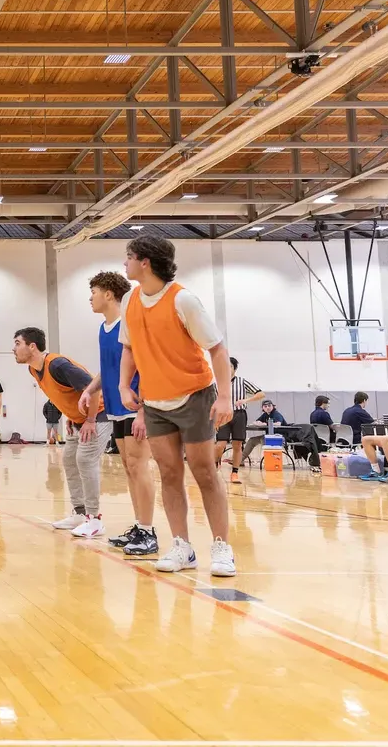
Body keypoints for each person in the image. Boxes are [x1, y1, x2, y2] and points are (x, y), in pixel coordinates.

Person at [118, 236, 237, 577]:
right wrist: (124, 385)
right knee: (169, 474)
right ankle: (182, 546)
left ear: (145, 262)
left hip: (194, 396)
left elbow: (216, 348)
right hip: (154, 402)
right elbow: (128, 349)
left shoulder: (182, 300)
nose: (123, 264)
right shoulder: (130, 300)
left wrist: (225, 397)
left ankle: (221, 546)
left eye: (128, 258)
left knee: (204, 472)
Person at [78, 271, 158, 556]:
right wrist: (90, 389)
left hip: (136, 406)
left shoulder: (130, 323)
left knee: (139, 466)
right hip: (115, 408)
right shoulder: (105, 328)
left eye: (94, 292)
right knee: (128, 467)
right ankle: (139, 527)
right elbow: (110, 368)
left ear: (109, 294)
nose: (91, 298)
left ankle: (148, 532)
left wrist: (144, 411)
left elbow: (147, 366)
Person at [14, 326, 111, 538]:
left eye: (17, 343)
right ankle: (79, 513)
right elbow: (61, 393)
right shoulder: (33, 369)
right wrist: (70, 416)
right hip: (78, 420)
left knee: (85, 460)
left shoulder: (57, 365)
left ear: (32, 346)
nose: (14, 349)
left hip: (100, 414)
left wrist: (91, 419)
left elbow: (92, 388)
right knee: (69, 460)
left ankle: (94, 519)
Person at [216, 357, 264, 485]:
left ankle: (235, 473)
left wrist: (245, 401)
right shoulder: (218, 384)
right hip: (223, 415)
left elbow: (260, 394)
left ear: (234, 369)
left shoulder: (242, 382)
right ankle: (216, 463)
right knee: (220, 444)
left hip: (239, 415)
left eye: (230, 366)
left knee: (237, 445)